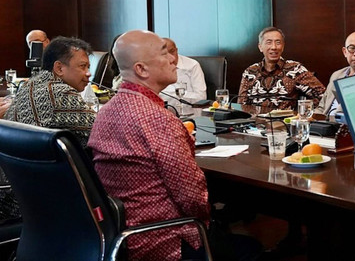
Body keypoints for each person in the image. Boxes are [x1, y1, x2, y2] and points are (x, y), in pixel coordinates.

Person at [88, 30, 261, 261]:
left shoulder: (106, 111)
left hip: (120, 236)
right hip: (166, 238)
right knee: (251, 249)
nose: (173, 59)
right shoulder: (157, 118)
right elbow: (192, 198)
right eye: (164, 53)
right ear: (141, 69)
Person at [3, 36, 95, 147]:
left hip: (16, 161)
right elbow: (101, 130)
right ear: (59, 68)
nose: (88, 73)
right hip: (43, 161)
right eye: (83, 66)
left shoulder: (29, 85)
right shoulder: (61, 93)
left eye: (88, 67)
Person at [238, 27, 325, 110]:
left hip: (284, 123)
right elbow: (241, 104)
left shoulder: (295, 69)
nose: (274, 47)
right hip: (255, 122)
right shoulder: (250, 72)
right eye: (269, 42)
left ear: (283, 47)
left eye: (278, 42)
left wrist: (303, 112)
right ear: (260, 47)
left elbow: (323, 95)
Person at [160, 37, 207, 106]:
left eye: (172, 51)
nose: (170, 57)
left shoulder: (192, 65)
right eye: (165, 53)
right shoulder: (156, 66)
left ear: (176, 50)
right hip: (165, 111)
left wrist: (174, 93)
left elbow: (201, 98)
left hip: (190, 113)